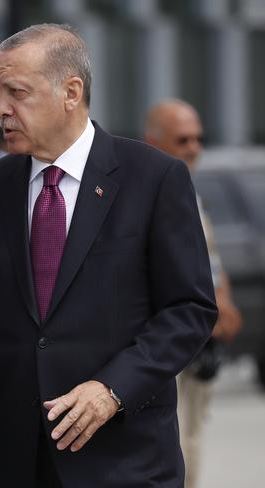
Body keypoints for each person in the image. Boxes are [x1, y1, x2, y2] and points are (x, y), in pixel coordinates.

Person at [0, 23, 218, 487]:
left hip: (121, 459)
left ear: (71, 92)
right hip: (10, 461)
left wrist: (113, 389)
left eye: (16, 92)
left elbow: (189, 310)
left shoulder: (153, 178)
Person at [144, 98, 242, 488]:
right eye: (182, 139)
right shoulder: (145, 196)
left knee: (193, 440)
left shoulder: (189, 192)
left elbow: (209, 258)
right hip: (168, 347)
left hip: (200, 347)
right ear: (154, 143)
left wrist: (225, 300)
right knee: (175, 450)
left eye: (198, 139)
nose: (193, 148)